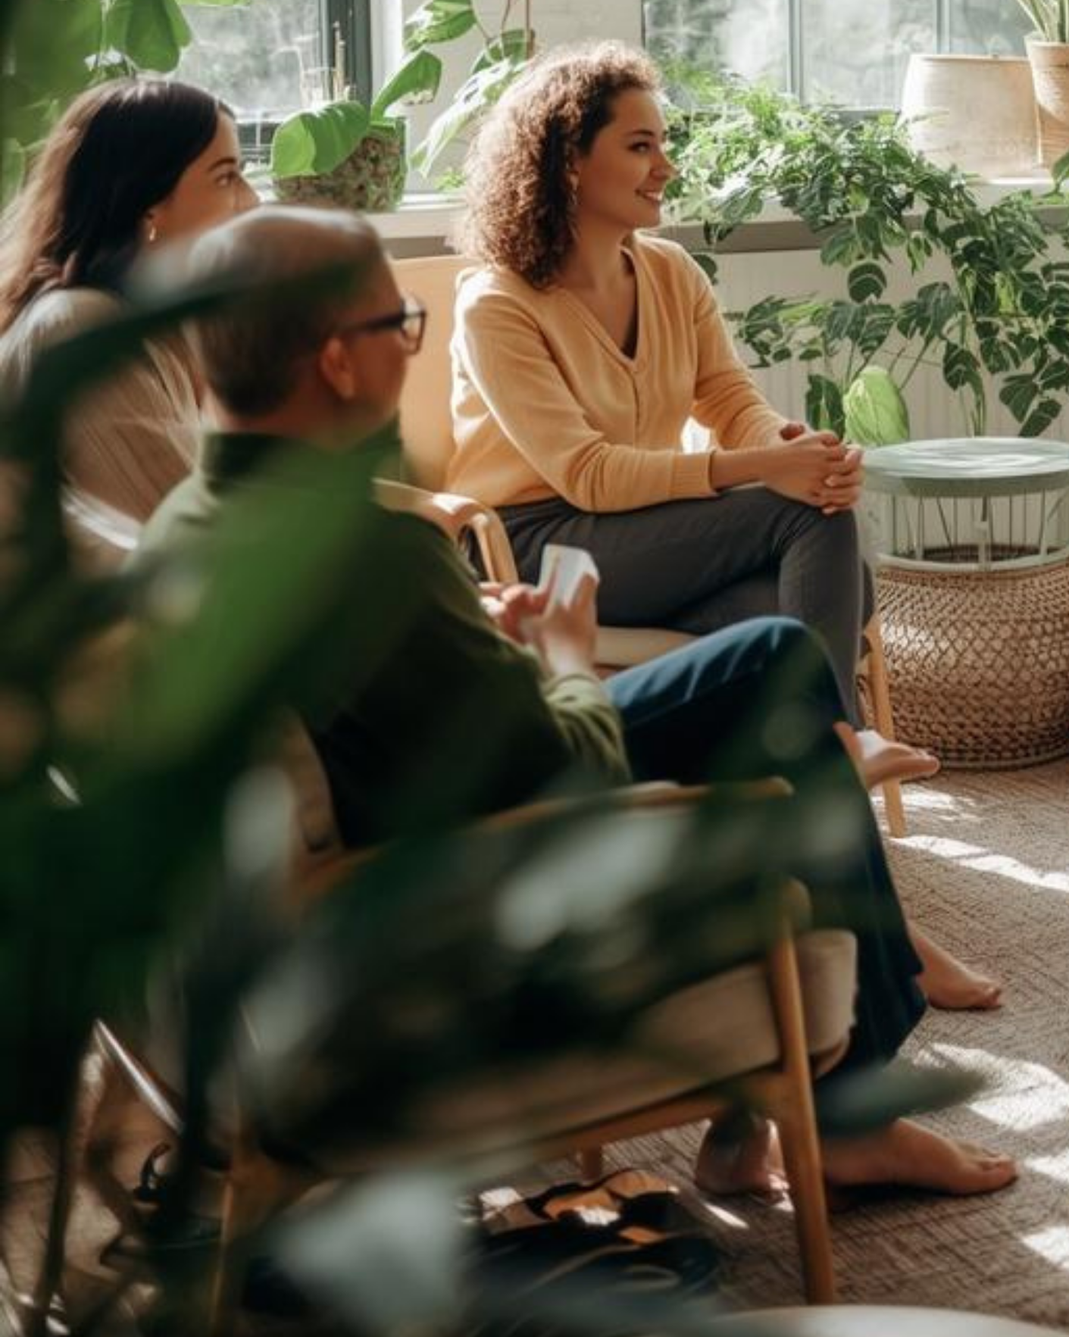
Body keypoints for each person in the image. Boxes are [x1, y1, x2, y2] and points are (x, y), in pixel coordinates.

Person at [139, 207, 1016, 1200]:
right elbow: (571, 769)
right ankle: (850, 1095)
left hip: (394, 826)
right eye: (399, 327)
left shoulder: (187, 519)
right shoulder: (366, 548)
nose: (408, 347)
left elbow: (390, 688)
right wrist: (559, 656)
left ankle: (799, 1090)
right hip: (467, 875)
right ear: (337, 361)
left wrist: (468, 633)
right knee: (771, 665)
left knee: (759, 667)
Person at [445, 44, 999, 1009]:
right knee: (805, 537)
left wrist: (794, 444)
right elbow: (583, 473)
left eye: (666, 143)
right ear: (569, 160)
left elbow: (728, 400)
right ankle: (841, 752)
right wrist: (763, 472)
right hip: (537, 550)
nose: (668, 165)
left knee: (799, 603)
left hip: (651, 531)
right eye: (643, 145)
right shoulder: (497, 303)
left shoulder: (666, 272)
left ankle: (861, 903)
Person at [0, 79, 258, 565]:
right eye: (226, 177)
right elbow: (192, 539)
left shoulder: (140, 321)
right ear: (149, 205)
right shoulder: (82, 328)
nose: (252, 201)